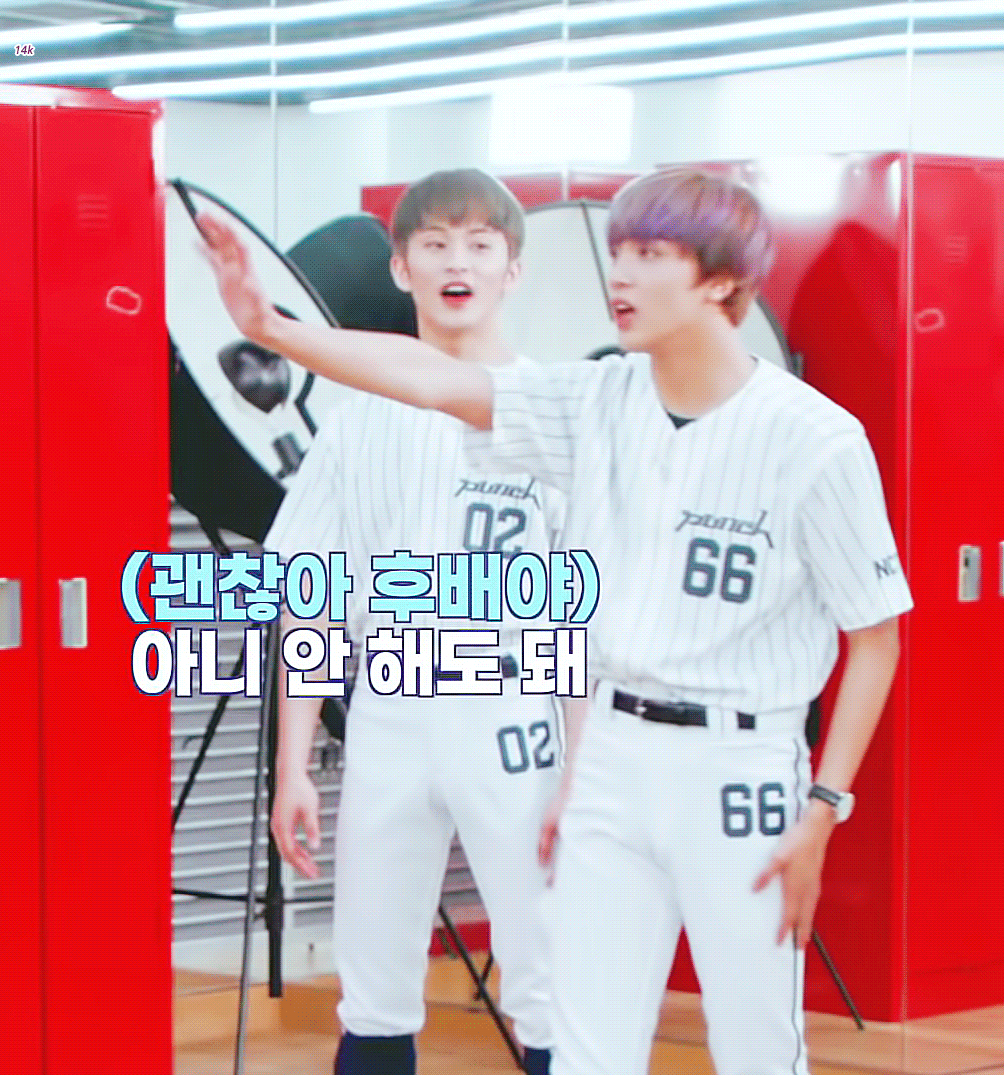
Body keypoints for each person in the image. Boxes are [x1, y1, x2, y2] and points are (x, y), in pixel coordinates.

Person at [201, 166, 913, 1075]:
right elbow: (421, 395)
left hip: (615, 737)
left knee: (715, 1028)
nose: (621, 273)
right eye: (618, 252)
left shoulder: (795, 434)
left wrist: (818, 803)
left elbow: (867, 633)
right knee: (524, 1018)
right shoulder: (570, 404)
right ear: (400, 266)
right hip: (468, 719)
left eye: (648, 254)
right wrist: (269, 326)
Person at [259, 169, 573, 1075]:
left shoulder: (558, 411)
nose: (455, 262)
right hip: (390, 708)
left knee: (548, 976)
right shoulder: (354, 422)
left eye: (478, 244)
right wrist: (293, 763)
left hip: (512, 711)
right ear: (401, 268)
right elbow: (311, 593)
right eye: (433, 244)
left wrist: (584, 766)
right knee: (373, 980)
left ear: (512, 267)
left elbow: (584, 617)